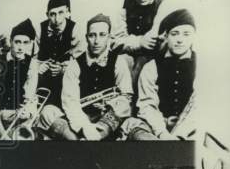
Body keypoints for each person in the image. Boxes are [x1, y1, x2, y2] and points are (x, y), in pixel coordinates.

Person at [39, 13, 132, 140]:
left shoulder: (119, 61)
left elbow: (126, 97)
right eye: (92, 35)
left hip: (106, 118)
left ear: (109, 37)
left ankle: (97, 136)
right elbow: (70, 102)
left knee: (124, 106)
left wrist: (109, 106)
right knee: (48, 112)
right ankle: (78, 140)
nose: (96, 41)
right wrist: (84, 126)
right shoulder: (74, 64)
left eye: (102, 35)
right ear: (86, 37)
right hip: (80, 115)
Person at [124, 9, 196, 140]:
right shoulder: (151, 67)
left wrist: (179, 135)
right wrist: (162, 133)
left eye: (186, 34)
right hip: (156, 128)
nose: (180, 40)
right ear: (166, 36)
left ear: (194, 36)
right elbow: (147, 105)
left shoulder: (201, 66)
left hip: (190, 128)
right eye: (174, 34)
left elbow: (198, 107)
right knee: (136, 131)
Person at [0, 19, 37, 140]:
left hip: (15, 113)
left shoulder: (32, 65)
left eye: (25, 43)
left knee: (29, 123)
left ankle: (4, 135)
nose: (20, 47)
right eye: (17, 42)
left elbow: (31, 92)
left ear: (29, 44)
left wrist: (27, 111)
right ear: (11, 41)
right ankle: (6, 138)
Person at [28, 0, 82, 109]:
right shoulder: (39, 29)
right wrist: (38, 66)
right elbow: (29, 58)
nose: (57, 19)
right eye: (52, 14)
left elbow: (81, 61)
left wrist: (63, 68)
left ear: (68, 11)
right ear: (47, 14)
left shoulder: (75, 30)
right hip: (42, 79)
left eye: (61, 13)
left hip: (65, 80)